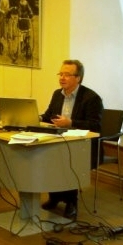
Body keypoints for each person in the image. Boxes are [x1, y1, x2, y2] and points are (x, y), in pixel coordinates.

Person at [40, 59, 103, 219]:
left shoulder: (91, 98)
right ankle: (54, 197)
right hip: (58, 141)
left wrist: (71, 123)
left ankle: (71, 202)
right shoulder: (57, 94)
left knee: (68, 159)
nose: (62, 78)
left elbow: (95, 125)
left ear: (78, 78)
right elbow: (48, 116)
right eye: (60, 74)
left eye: (67, 74)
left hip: (82, 145)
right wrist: (36, 118)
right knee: (46, 155)